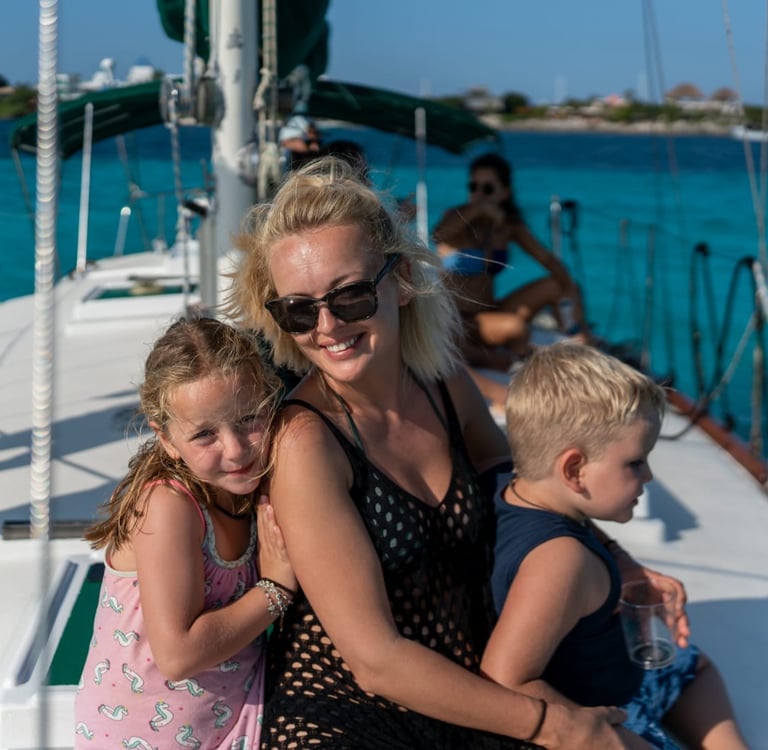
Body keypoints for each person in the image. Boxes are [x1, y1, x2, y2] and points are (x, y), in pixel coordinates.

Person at [224, 154, 691, 749]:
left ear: (398, 283)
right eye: (297, 309)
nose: (326, 326)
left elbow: (524, 494)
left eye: (349, 297)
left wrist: (618, 561)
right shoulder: (308, 442)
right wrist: (558, 726)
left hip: (467, 689)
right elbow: (375, 659)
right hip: (348, 713)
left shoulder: (441, 382)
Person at [482, 342, 748, 750]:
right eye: (635, 462)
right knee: (692, 670)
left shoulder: (507, 484)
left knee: (693, 664)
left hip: (615, 672)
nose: (648, 477)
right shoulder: (561, 560)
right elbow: (504, 677)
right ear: (574, 469)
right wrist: (592, 732)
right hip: (607, 714)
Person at [74, 316, 297, 750]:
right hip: (140, 738)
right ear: (167, 439)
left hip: (232, 719)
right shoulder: (168, 505)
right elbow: (177, 655)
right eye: (204, 434)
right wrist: (275, 590)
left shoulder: (252, 487)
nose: (235, 450)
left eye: (250, 417)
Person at [432, 152, 589, 410]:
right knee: (514, 327)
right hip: (458, 318)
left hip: (488, 311)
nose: (479, 193)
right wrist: (479, 210)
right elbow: (438, 235)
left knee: (556, 284)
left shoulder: (508, 227)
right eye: (474, 187)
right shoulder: (458, 216)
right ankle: (500, 361)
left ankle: (576, 340)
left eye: (488, 188)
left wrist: (575, 308)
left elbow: (548, 261)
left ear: (504, 192)